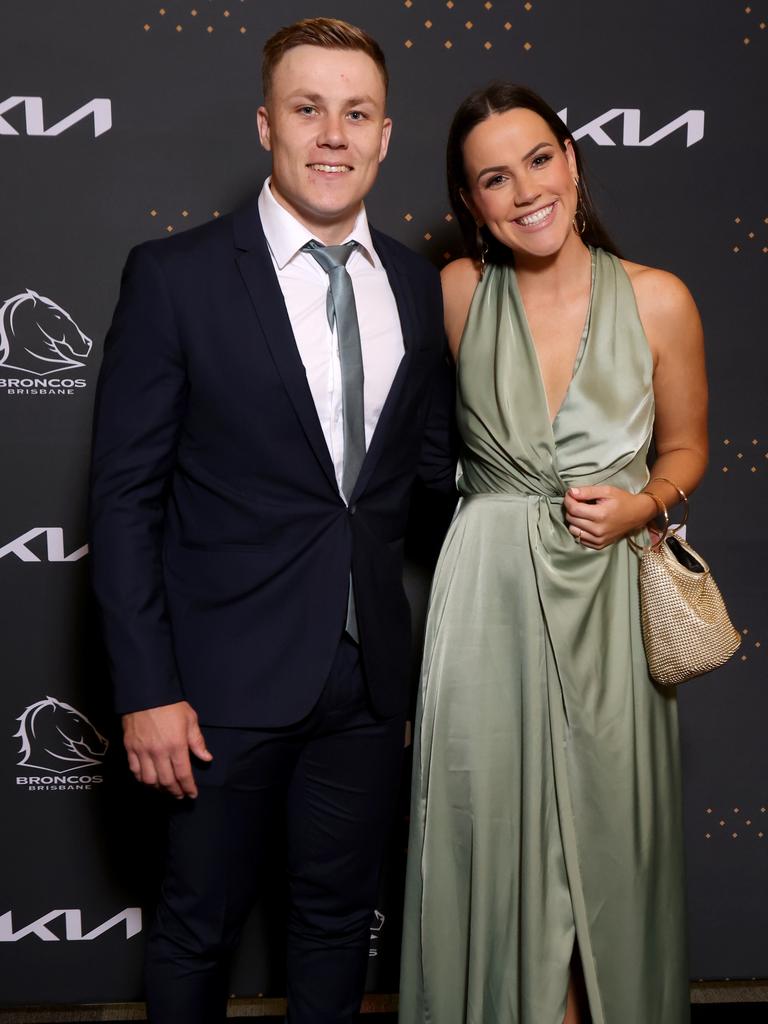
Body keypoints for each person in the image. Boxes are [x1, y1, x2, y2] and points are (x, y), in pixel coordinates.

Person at [89, 17, 455, 1024]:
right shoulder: (175, 276)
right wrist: (147, 687)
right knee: (196, 928)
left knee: (338, 926)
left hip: (367, 681)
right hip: (217, 686)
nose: (332, 135)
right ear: (266, 126)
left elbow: (431, 476)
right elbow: (123, 500)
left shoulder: (420, 290)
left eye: (356, 113)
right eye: (307, 109)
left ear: (385, 137)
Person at [399, 82, 707, 1024]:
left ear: (572, 162)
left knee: (611, 851)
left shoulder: (659, 299)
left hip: (610, 597)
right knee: (483, 844)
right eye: (495, 177)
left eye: (539, 160)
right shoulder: (454, 293)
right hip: (484, 596)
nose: (526, 190)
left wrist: (643, 506)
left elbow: (687, 447)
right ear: (471, 203)